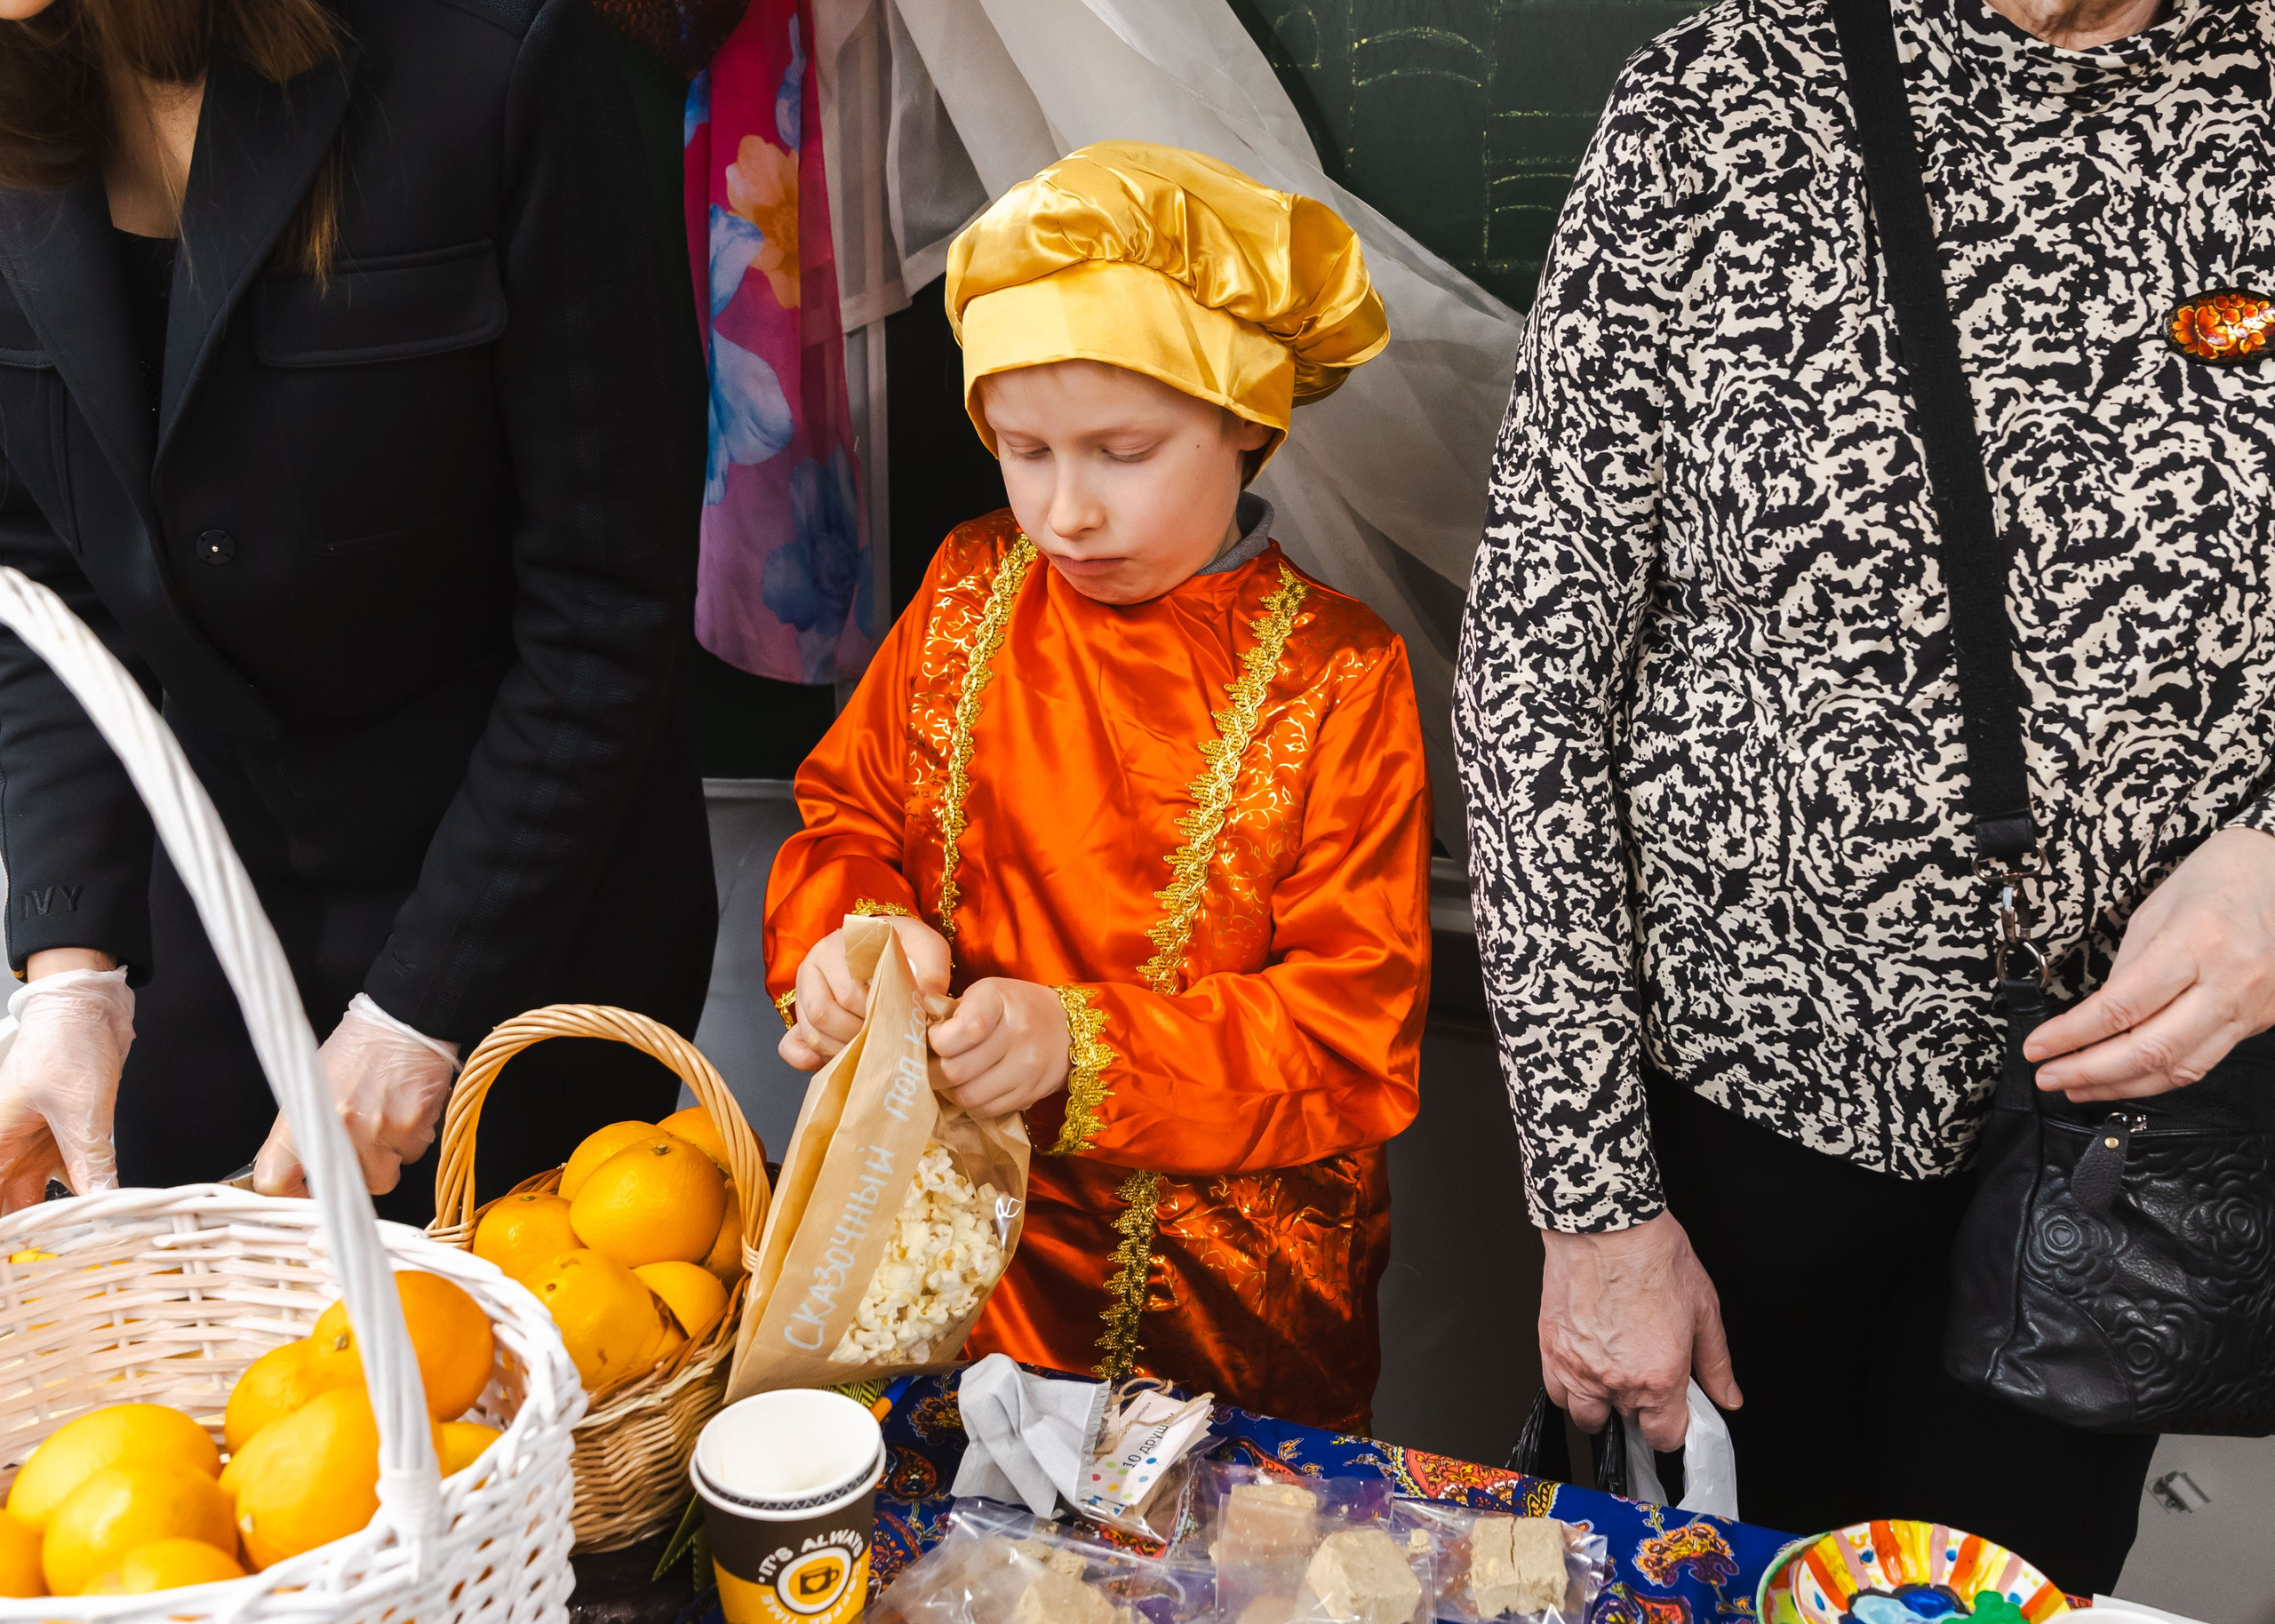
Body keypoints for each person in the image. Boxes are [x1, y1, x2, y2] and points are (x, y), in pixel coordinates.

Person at [1456, 0, 2275, 1584]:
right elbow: (1532, 680)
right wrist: (1594, 1205)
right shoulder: (1719, 106)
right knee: (1701, 1588)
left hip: (2124, 1161)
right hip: (1739, 1154)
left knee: (2002, 1602)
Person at [0, 0, 716, 1222]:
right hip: (210, 915)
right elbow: (44, 588)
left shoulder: (499, 65)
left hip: (529, 898)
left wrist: (421, 1010)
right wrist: (73, 973)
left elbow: (604, 607)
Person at [764, 142, 1430, 1432]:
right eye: (1023, 452)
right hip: (951, 1272)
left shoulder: (1338, 677)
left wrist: (1077, 1045)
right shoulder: (967, 589)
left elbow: (1354, 1032)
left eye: (1122, 451)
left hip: (1230, 1312)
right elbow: (846, 820)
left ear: (1247, 419)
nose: (1064, 512)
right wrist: (854, 940)